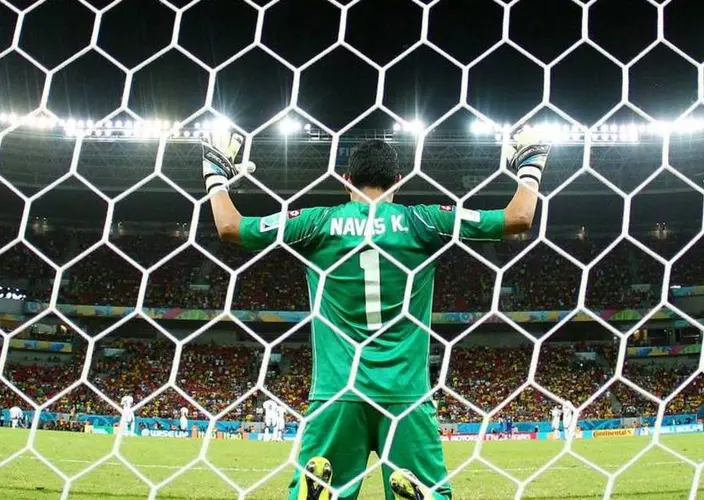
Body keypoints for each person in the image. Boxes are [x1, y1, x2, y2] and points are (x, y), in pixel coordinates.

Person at [203, 127, 548, 500]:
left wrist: (215, 173)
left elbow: (229, 227)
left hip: (337, 394)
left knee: (321, 484)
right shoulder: (424, 221)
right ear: (398, 181)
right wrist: (530, 162)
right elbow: (520, 217)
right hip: (406, 397)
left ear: (345, 180)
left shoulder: (316, 223)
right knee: (431, 492)